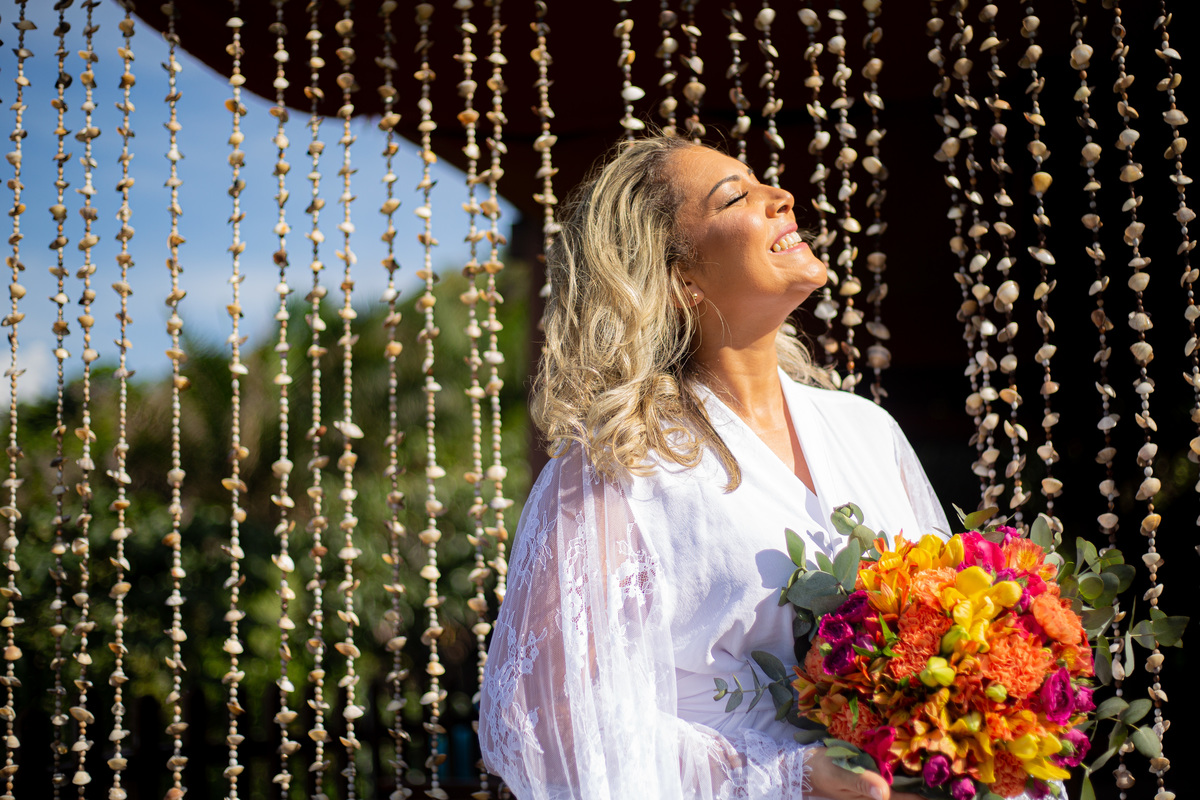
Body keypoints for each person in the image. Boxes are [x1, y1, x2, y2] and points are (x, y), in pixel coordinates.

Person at [479, 135, 948, 799]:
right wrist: (786, 780)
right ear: (681, 279)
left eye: (764, 183)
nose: (781, 198)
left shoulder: (868, 432)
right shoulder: (616, 467)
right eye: (736, 196)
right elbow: (543, 721)